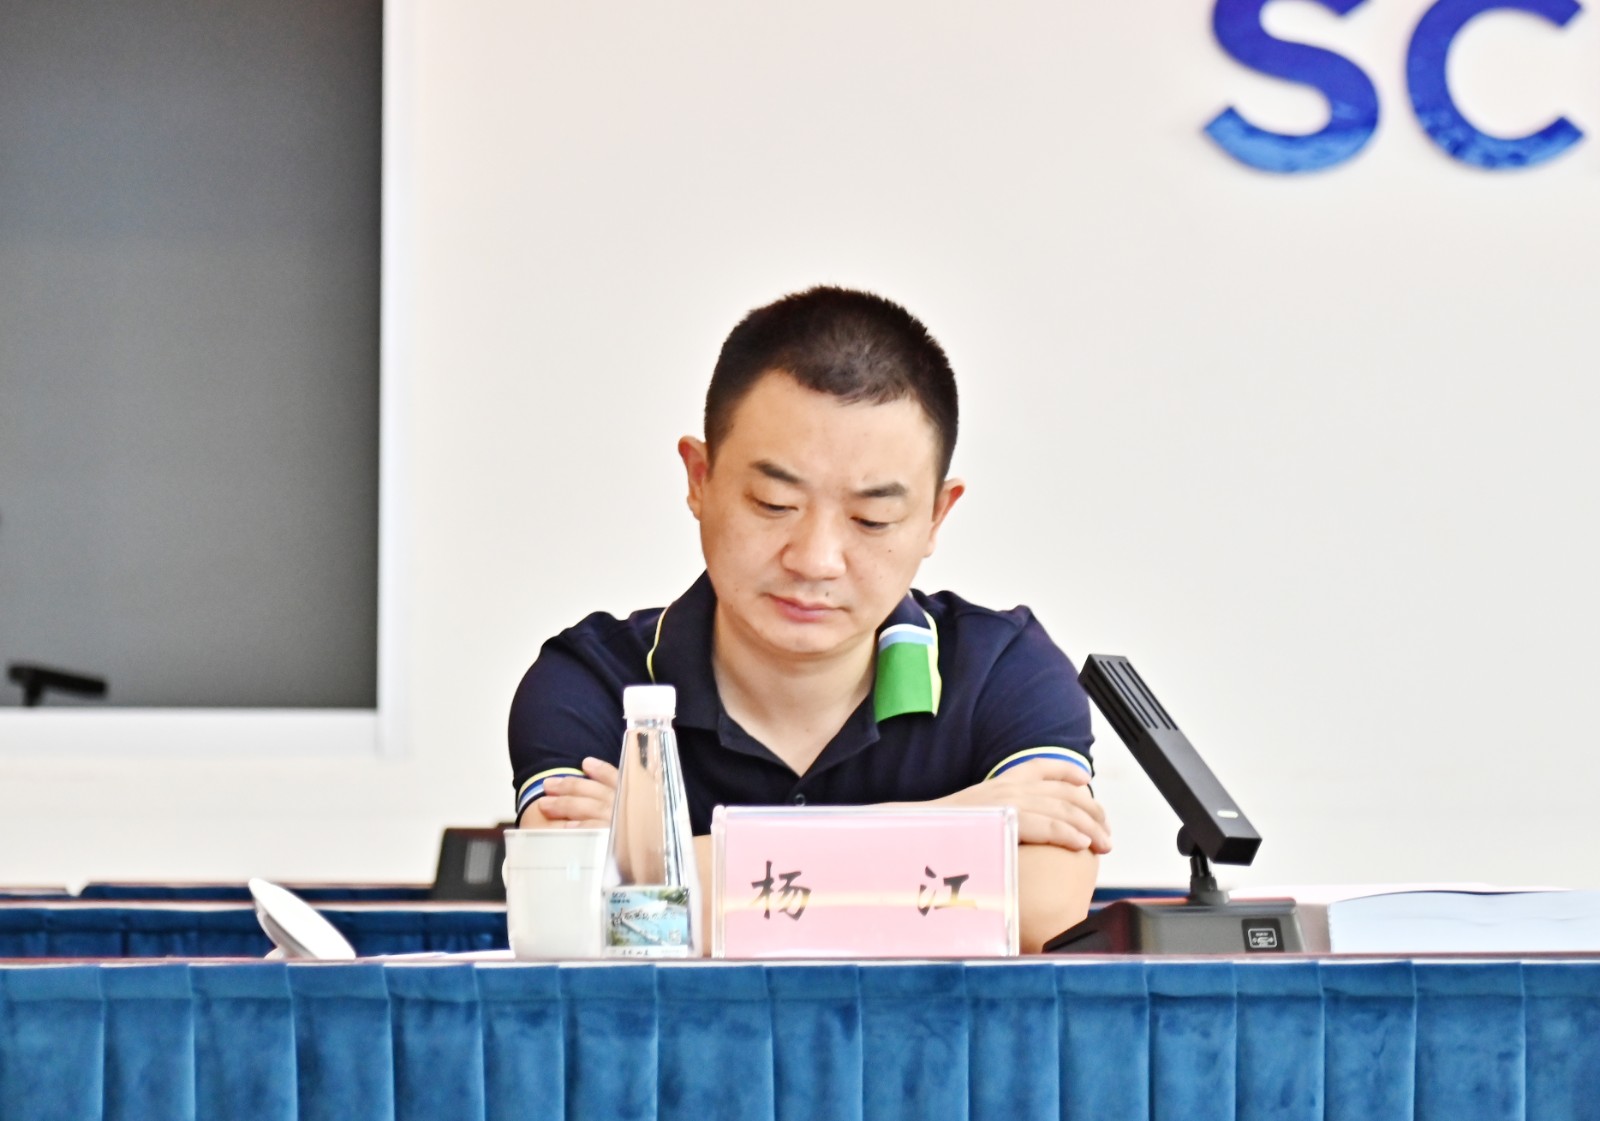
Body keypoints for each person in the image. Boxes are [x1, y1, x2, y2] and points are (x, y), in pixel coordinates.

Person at [508, 286, 1111, 952]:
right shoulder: (593, 681)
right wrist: (959, 823)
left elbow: (1042, 908)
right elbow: (577, 905)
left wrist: (663, 861)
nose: (816, 559)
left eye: (872, 518)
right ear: (700, 478)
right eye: (774, 503)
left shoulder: (1004, 670)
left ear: (936, 516)